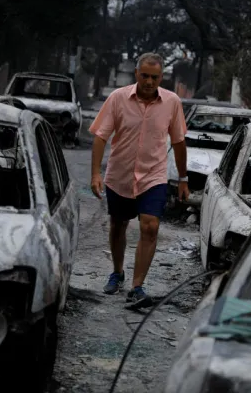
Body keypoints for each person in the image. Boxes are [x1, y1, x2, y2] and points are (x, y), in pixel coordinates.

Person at [88, 52, 189, 309]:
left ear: (161, 77)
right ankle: (118, 271)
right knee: (118, 225)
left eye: (154, 77)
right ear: (136, 74)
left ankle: (137, 286)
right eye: (144, 75)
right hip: (120, 175)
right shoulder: (118, 98)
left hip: (153, 176)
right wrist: (96, 174)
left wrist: (184, 178)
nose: (149, 81)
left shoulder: (172, 102)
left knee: (150, 227)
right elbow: (101, 136)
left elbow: (178, 141)